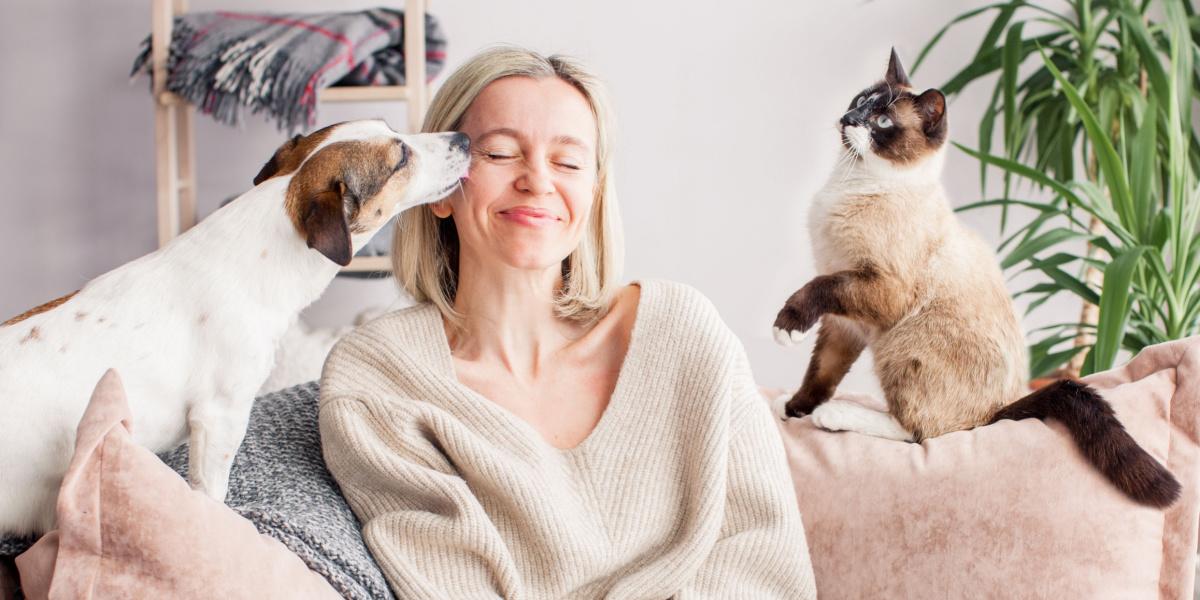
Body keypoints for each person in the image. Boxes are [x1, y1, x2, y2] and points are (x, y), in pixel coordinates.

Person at [319, 45, 817, 599]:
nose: (537, 180)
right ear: (441, 188)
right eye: (501, 153)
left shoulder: (683, 333)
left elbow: (764, 565)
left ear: (594, 194)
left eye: (568, 162)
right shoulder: (381, 378)